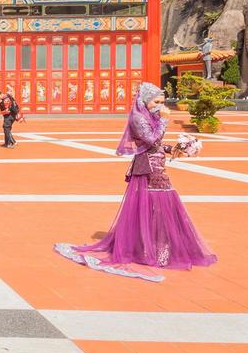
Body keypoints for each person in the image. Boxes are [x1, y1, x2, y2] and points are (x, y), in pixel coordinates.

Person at [55, 83, 216, 280]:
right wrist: (164, 121)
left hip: (156, 163)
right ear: (145, 100)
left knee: (158, 206)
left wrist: (173, 149)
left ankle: (156, 248)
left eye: (162, 103)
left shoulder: (149, 116)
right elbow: (150, 140)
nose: (159, 106)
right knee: (158, 204)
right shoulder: (138, 118)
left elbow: (156, 144)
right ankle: (151, 250)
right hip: (148, 168)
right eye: (156, 102)